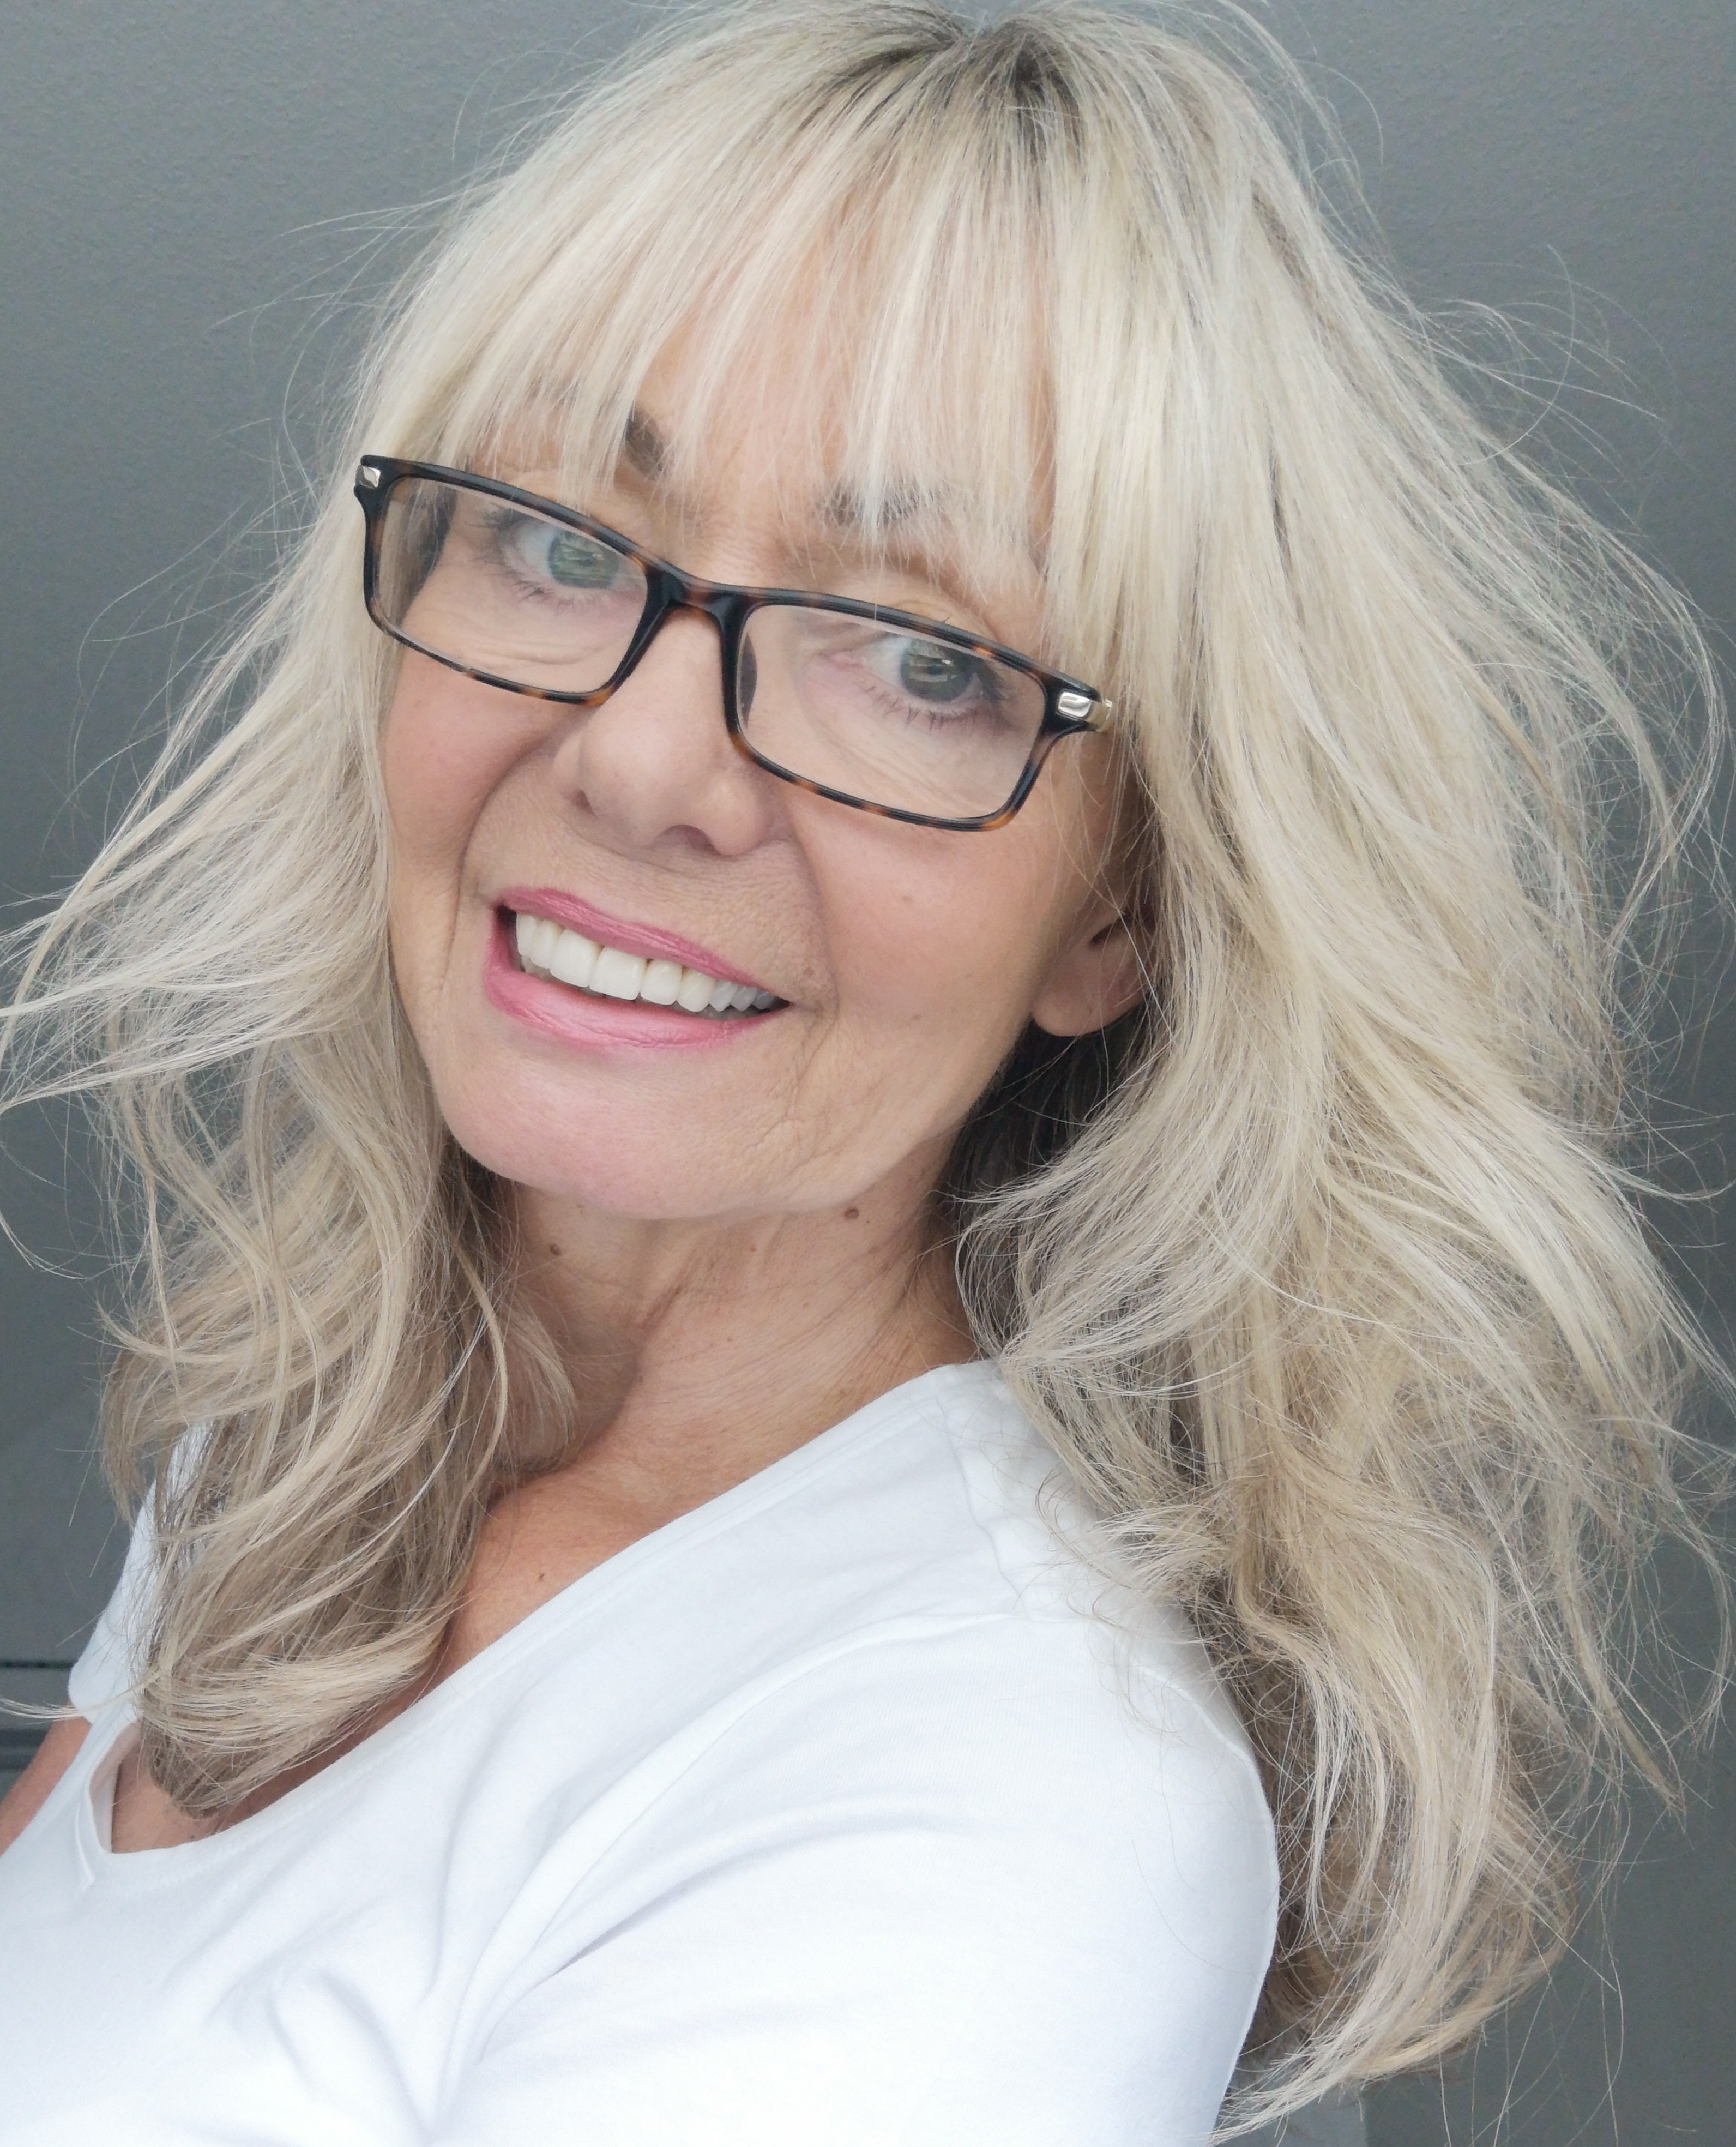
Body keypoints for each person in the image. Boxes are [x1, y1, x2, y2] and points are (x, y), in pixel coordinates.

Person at [0, 2, 1725, 2140]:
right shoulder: (322, 1420)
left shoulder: (995, 1806)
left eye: (919, 659)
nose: (641, 761)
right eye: (557, 539)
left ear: (1118, 913)